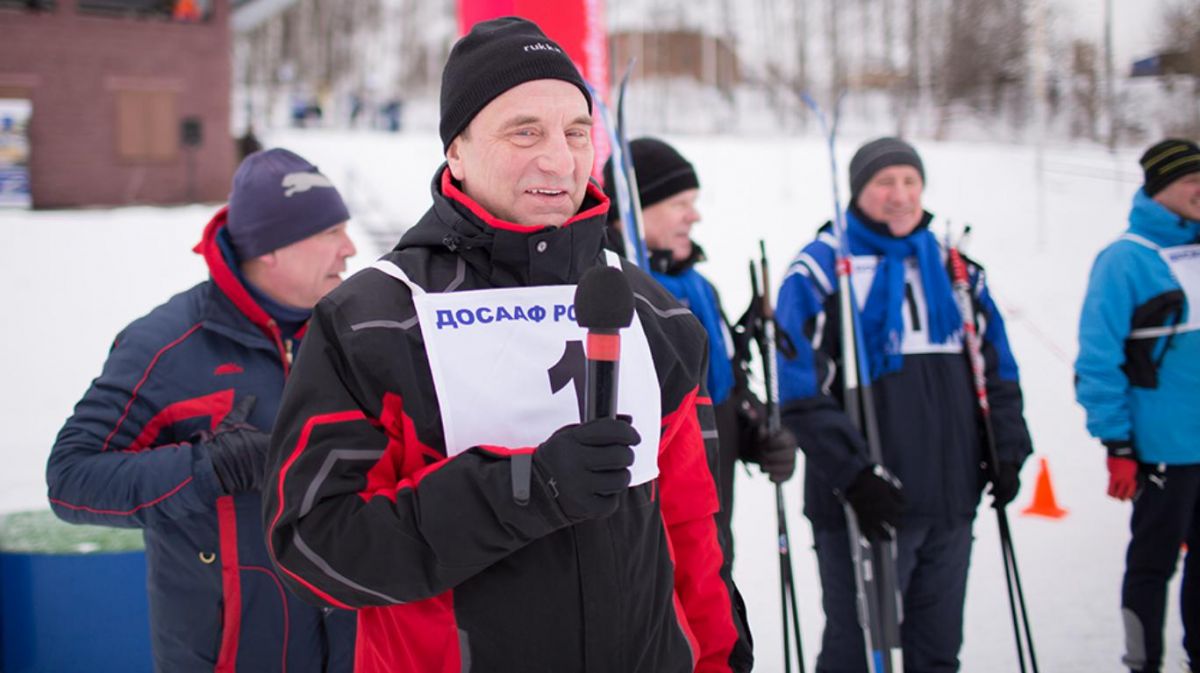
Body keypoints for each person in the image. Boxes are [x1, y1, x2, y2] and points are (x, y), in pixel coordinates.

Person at [262, 17, 753, 673]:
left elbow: (690, 526)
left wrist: (721, 658)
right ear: (456, 151)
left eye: (576, 132)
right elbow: (316, 545)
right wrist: (525, 488)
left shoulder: (649, 308)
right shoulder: (373, 320)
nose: (559, 158)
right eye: (525, 131)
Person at [46, 148, 358, 672]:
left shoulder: (354, 331)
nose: (349, 249)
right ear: (271, 248)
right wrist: (208, 469)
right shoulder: (167, 347)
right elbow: (71, 479)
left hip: (357, 652)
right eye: (329, 233)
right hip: (227, 657)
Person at [774, 137, 1033, 672]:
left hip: (949, 499)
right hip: (864, 506)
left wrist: (1007, 448)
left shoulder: (955, 270)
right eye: (884, 183)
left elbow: (999, 370)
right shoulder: (821, 268)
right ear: (858, 191)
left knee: (936, 654)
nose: (900, 195)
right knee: (855, 653)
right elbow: (799, 394)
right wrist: (854, 475)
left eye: (910, 181)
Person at [602, 137, 797, 565]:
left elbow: (725, 394)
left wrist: (760, 436)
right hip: (642, 546)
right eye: (678, 203)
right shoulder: (600, 291)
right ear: (629, 212)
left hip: (710, 536)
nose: (695, 215)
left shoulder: (700, 290)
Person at [1075, 137, 1200, 673]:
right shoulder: (1125, 259)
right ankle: (1143, 660)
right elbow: (1097, 361)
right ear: (1162, 188)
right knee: (1153, 564)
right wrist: (1118, 442)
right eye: (1193, 182)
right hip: (1162, 448)